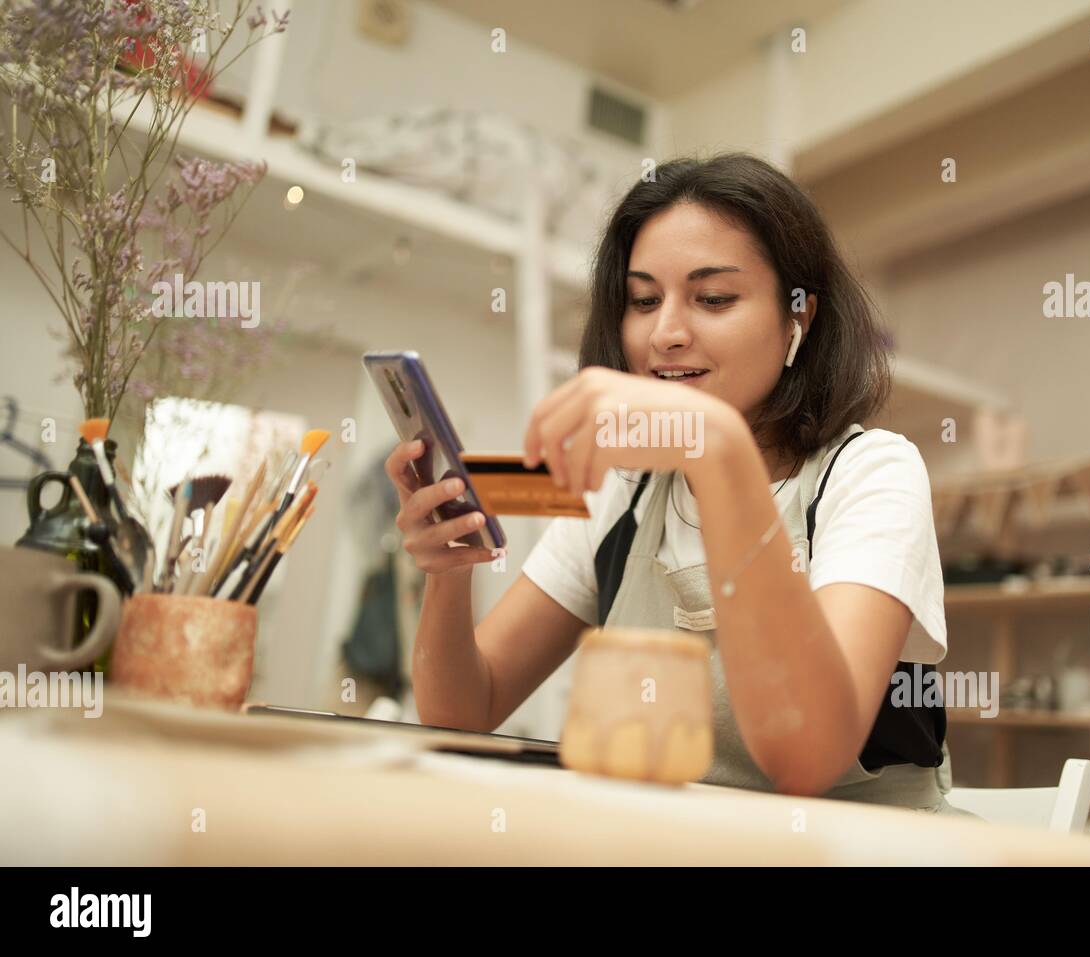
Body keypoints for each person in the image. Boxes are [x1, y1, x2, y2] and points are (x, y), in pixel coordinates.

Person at [386, 152, 968, 814]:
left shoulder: (870, 474)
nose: (663, 333)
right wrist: (449, 572)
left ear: (797, 320)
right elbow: (464, 712)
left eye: (713, 298)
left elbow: (806, 755)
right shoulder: (624, 493)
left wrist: (714, 445)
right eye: (642, 300)